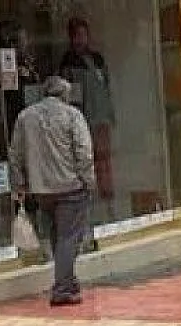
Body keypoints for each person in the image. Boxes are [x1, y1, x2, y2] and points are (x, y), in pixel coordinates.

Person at [10, 76, 96, 305]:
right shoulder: (72, 115)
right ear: (64, 95)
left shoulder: (25, 117)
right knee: (70, 237)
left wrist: (19, 184)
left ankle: (67, 278)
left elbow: (15, 154)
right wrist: (89, 181)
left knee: (58, 235)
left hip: (41, 190)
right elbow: (84, 153)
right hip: (70, 186)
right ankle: (62, 288)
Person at [60, 18, 115, 201]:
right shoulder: (68, 62)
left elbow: (106, 87)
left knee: (104, 155)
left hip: (101, 116)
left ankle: (106, 189)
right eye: (77, 36)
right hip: (83, 117)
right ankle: (89, 191)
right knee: (86, 156)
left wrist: (110, 113)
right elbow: (68, 93)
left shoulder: (97, 59)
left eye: (84, 35)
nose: (81, 40)